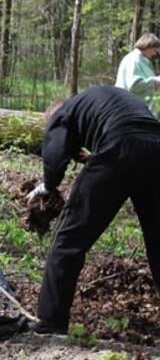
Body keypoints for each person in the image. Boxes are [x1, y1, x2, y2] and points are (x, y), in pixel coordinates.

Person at [26, 85, 160, 334]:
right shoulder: (100, 102)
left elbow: (55, 153)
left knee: (69, 241)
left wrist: (49, 185)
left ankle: (51, 323)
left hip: (119, 146)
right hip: (156, 147)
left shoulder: (62, 113)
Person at [115, 32, 160, 112]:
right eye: (155, 51)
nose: (155, 54)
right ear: (148, 46)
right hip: (129, 109)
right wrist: (156, 81)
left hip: (136, 109)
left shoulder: (141, 61)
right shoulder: (134, 60)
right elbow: (134, 85)